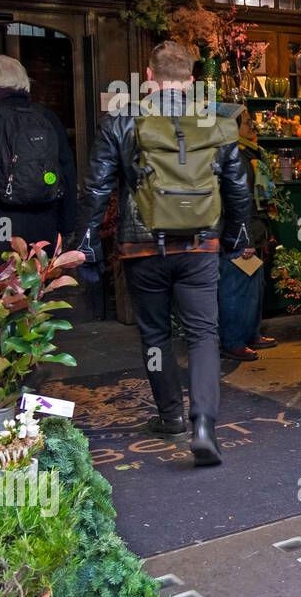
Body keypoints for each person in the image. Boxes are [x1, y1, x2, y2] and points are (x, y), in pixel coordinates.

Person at [75, 41, 253, 466]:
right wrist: (236, 235)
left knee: (155, 334)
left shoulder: (121, 120)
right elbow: (238, 186)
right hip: (199, 246)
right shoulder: (214, 120)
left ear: (149, 76)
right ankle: (205, 423)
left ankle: (171, 416)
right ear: (191, 80)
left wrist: (85, 240)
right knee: (203, 334)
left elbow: (96, 187)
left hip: (142, 248)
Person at [0, 55, 76, 256]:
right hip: (44, 218)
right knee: (38, 279)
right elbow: (66, 169)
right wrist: (67, 224)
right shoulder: (46, 116)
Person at [218, 109, 277, 362]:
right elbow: (236, 202)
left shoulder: (250, 153)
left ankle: (251, 334)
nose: (253, 126)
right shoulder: (234, 156)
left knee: (253, 287)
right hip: (239, 234)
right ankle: (233, 341)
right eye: (247, 122)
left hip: (252, 230)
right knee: (236, 288)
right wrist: (245, 239)